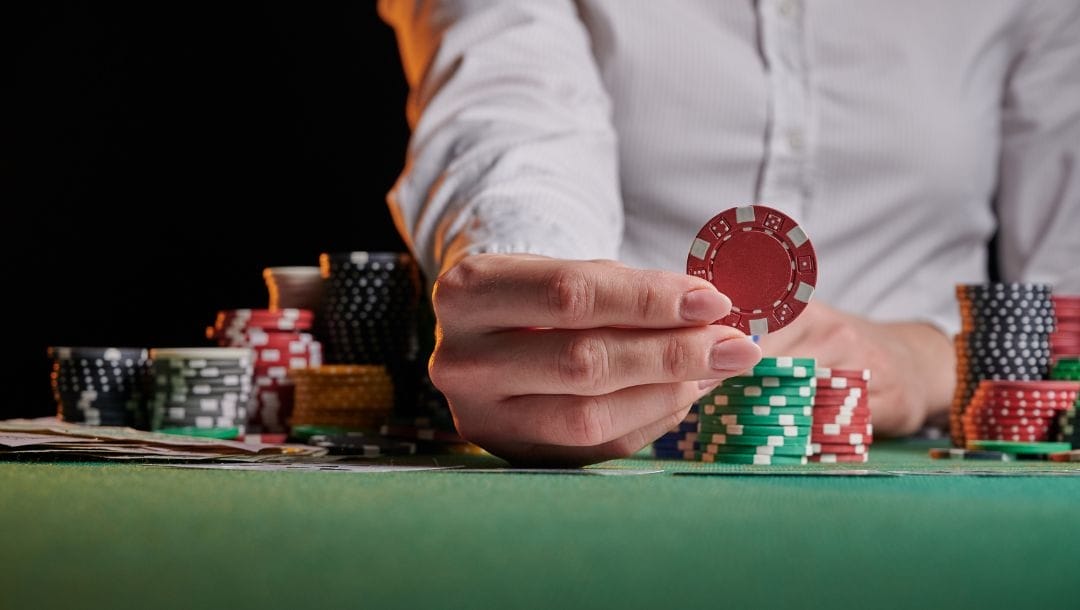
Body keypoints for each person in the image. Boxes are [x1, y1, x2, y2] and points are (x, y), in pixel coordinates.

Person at [376, 1, 1080, 466]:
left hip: (940, 459)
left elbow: (1069, 290)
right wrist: (547, 309)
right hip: (626, 457)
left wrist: (936, 366)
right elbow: (514, 116)